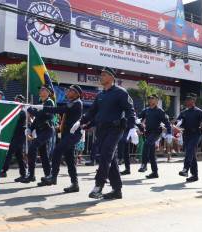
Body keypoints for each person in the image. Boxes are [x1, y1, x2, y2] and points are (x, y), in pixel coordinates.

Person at [72, 67, 138, 199]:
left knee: (105, 156)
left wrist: (132, 128)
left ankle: (98, 186)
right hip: (102, 130)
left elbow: (130, 110)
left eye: (104, 75)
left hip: (115, 129)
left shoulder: (121, 93)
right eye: (100, 75)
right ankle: (117, 190)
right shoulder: (100, 95)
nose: (101, 77)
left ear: (111, 77)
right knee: (110, 159)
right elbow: (92, 112)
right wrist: (80, 121)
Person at [35, 85, 83, 193]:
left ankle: (53, 176)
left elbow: (60, 109)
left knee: (57, 150)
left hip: (73, 135)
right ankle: (75, 184)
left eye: (70, 90)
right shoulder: (71, 102)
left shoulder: (77, 103)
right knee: (69, 159)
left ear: (76, 94)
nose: (68, 91)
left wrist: (43, 107)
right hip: (67, 135)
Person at [176, 93, 202, 182]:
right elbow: (178, 121)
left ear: (193, 101)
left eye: (189, 100)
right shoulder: (184, 112)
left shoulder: (199, 111)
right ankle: (194, 175)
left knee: (190, 149)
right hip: (186, 134)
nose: (187, 101)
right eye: (186, 100)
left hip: (196, 134)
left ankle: (185, 169)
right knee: (191, 154)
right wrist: (178, 123)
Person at [22, 85, 55, 184]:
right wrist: (30, 129)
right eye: (40, 89)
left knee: (33, 148)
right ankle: (48, 175)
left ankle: (31, 175)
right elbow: (36, 120)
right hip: (40, 131)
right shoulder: (41, 103)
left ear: (48, 92)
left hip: (47, 130)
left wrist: (31, 110)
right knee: (43, 154)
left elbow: (47, 115)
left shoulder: (49, 102)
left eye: (43, 89)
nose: (41, 91)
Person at [138, 94, 172, 179]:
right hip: (148, 133)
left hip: (156, 132)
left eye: (152, 98)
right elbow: (138, 119)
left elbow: (167, 122)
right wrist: (140, 128)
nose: (150, 100)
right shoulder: (146, 110)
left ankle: (144, 164)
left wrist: (169, 133)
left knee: (146, 144)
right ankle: (155, 172)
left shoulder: (160, 111)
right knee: (151, 154)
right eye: (149, 98)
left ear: (157, 101)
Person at [0, 95, 27, 182]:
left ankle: (4, 170)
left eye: (18, 100)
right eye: (15, 100)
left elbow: (14, 121)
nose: (15, 101)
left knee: (10, 151)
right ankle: (23, 174)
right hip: (15, 135)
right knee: (19, 155)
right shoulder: (15, 111)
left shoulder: (22, 112)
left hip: (20, 136)